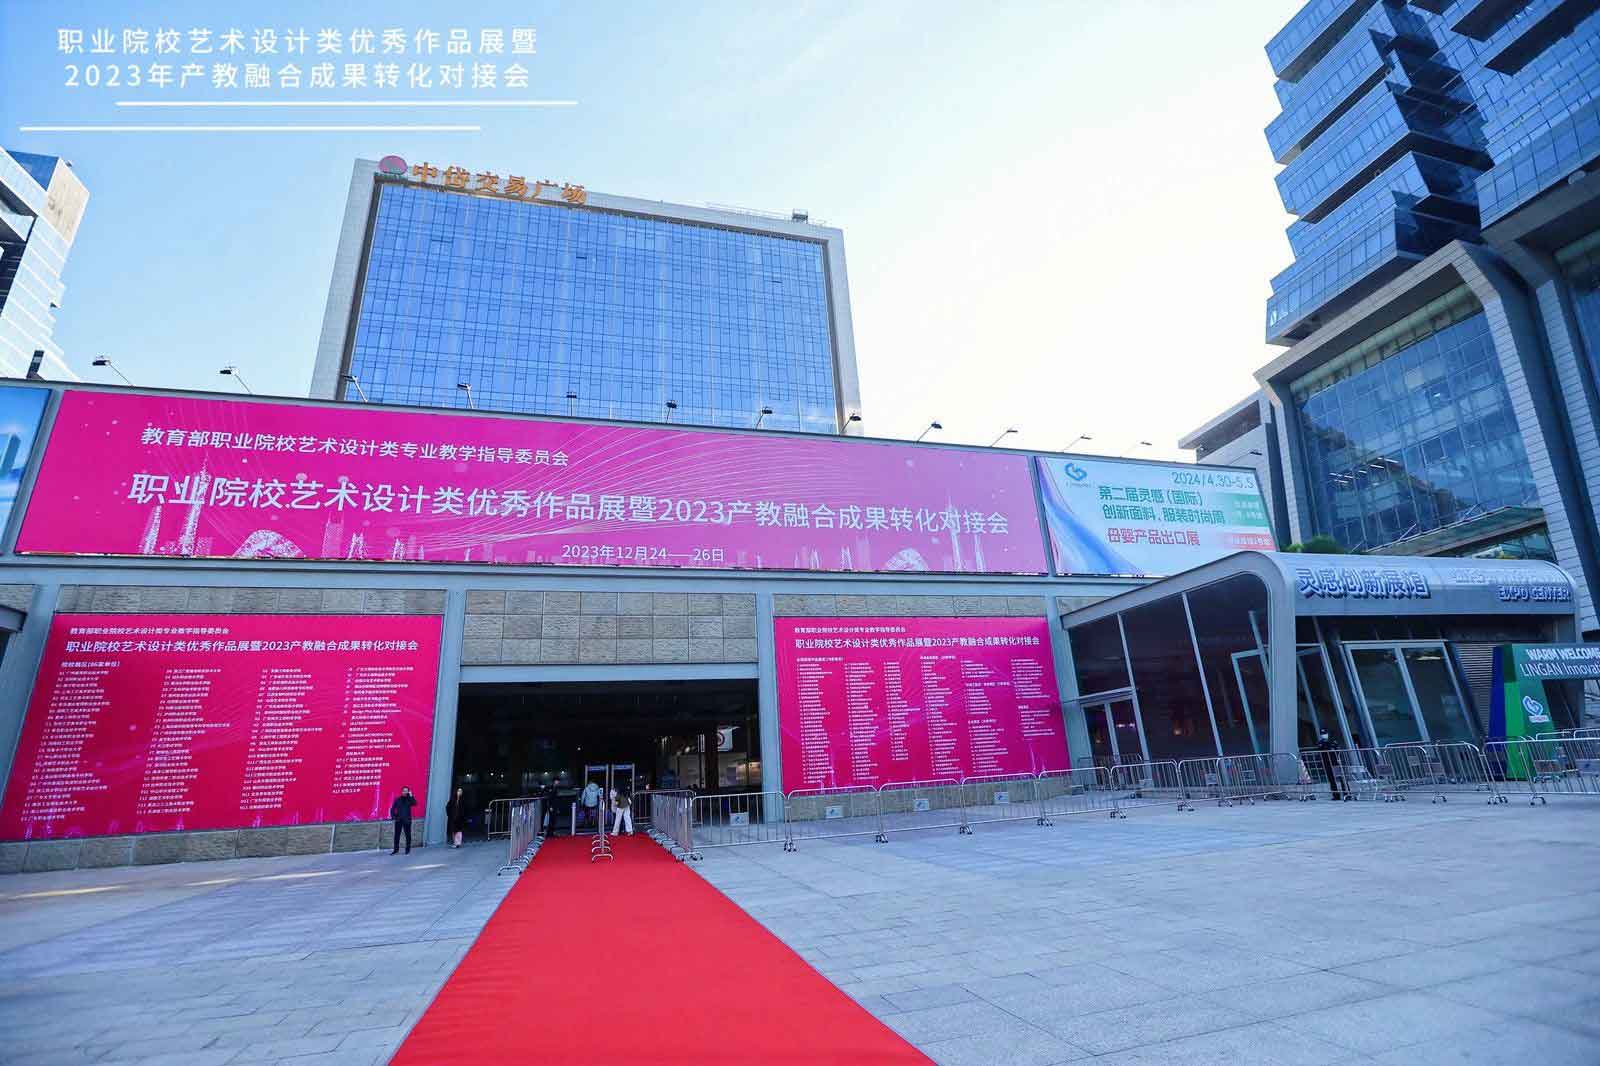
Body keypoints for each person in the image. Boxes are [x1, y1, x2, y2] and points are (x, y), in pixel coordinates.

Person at [1316, 730, 1345, 802]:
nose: (1324, 735)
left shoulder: (1333, 741)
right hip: (1327, 763)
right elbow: (1320, 750)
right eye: (1322, 734)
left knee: (1340, 778)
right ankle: (1336, 795)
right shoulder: (1321, 743)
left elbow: (1337, 750)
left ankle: (1346, 793)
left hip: (1335, 762)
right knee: (1331, 779)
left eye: (1325, 733)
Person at [389, 785, 417, 854]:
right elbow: (392, 809)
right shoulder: (397, 799)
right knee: (396, 836)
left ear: (408, 792)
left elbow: (415, 803)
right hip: (398, 820)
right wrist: (394, 817)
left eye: (406, 791)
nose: (405, 792)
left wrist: (411, 796)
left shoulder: (409, 799)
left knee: (408, 835)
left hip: (407, 821)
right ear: (402, 791)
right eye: (404, 791)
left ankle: (407, 849)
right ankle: (396, 850)